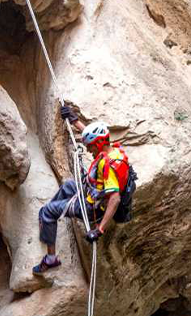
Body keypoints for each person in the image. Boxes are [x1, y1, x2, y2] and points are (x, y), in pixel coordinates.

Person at [32, 105, 128, 274]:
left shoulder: (107, 166)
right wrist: (74, 120)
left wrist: (99, 230)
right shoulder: (114, 152)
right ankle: (52, 219)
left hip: (92, 207)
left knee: (46, 211)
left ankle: (51, 259)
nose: (89, 150)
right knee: (68, 186)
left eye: (90, 146)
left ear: (98, 144)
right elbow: (96, 139)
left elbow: (115, 198)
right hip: (91, 193)